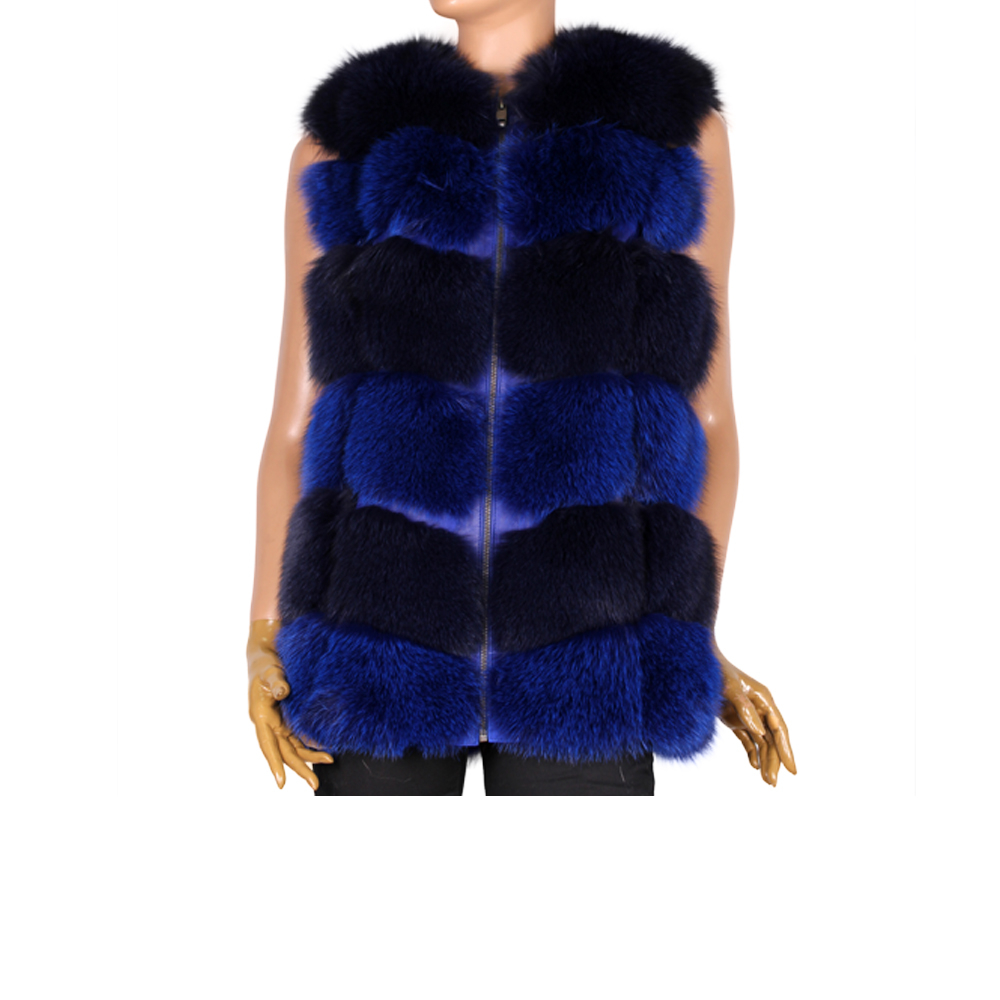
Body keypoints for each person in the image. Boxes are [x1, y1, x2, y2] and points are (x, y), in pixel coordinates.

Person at [247, 0, 796, 795]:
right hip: (375, 656)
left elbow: (707, 415)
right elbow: (295, 427)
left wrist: (690, 633)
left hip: (590, 659)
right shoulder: (348, 141)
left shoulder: (665, 131)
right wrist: (263, 632)